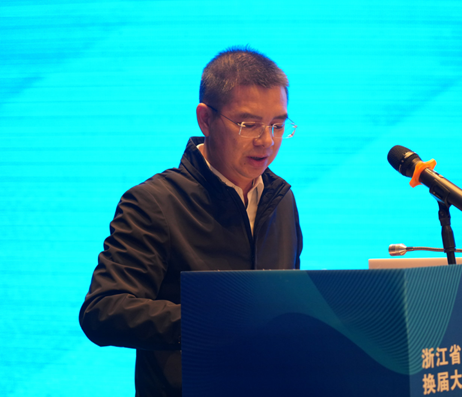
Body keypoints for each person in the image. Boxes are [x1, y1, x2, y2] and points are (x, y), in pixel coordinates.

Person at [79, 47, 303, 397]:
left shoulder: (281, 199)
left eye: (277, 125)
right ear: (206, 119)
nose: (267, 141)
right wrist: (211, 322)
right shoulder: (154, 203)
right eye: (248, 125)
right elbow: (103, 310)